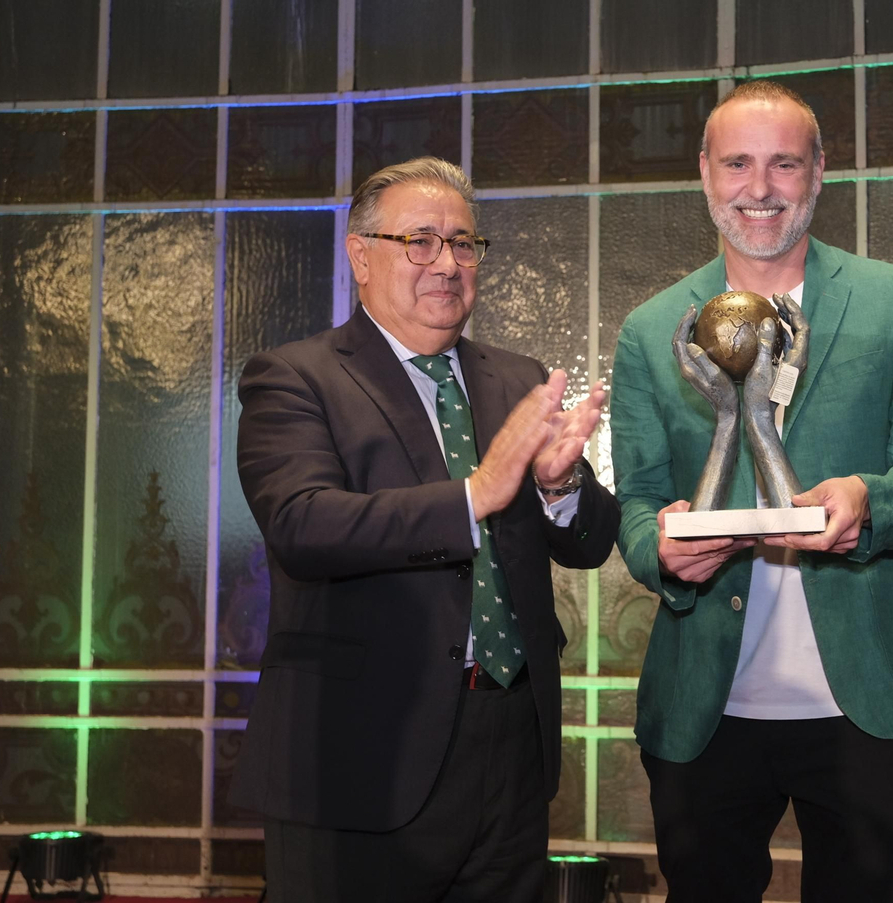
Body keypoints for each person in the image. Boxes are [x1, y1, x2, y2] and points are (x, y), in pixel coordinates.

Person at [608, 80, 893, 903]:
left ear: (819, 172)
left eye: (784, 163)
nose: (760, 187)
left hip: (864, 695)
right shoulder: (651, 327)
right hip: (703, 699)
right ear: (705, 172)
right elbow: (635, 504)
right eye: (738, 162)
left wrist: (868, 500)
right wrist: (659, 548)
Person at [229, 156, 619, 903]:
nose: (447, 263)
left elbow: (588, 541)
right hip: (358, 753)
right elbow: (302, 524)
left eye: (464, 244)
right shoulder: (294, 376)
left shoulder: (517, 378)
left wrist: (559, 483)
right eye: (421, 241)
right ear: (361, 254)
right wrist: (474, 495)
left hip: (508, 743)